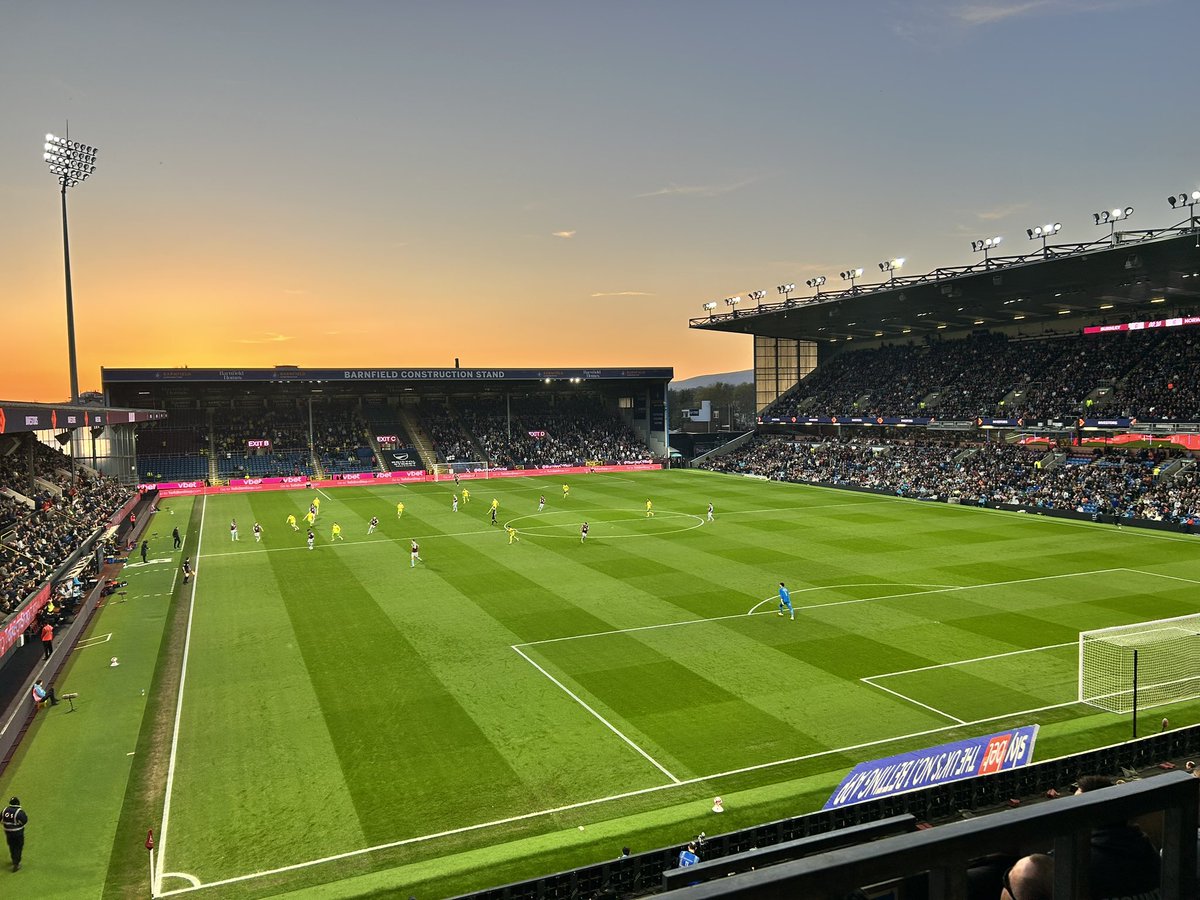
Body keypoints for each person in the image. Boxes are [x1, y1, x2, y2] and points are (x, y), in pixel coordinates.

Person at [1, 796, 27, 872]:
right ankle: (16, 863)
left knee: (12, 846)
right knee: (18, 847)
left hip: (8, 832)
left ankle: (13, 859)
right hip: (18, 833)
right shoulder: (19, 812)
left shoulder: (4, 810)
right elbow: (24, 820)